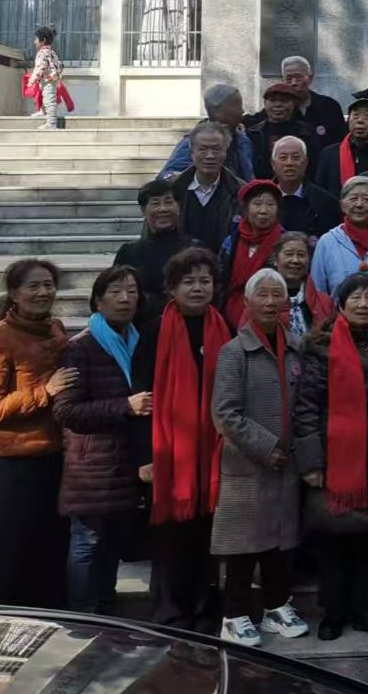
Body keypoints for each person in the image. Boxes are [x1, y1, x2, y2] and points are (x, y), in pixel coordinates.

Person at [293, 274, 368, 641]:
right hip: (334, 462)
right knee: (334, 540)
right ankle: (334, 611)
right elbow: (306, 407)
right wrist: (311, 462)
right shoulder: (320, 347)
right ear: (340, 305)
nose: (363, 303)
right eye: (354, 297)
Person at [0, 258, 75, 607]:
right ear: (14, 293)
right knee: (7, 555)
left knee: (48, 550)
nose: (43, 292)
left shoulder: (55, 328)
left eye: (49, 285)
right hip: (11, 463)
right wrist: (46, 391)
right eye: (33, 286)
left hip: (52, 454)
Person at [211, 268, 309, 647]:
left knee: (279, 542)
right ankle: (234, 616)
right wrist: (267, 448)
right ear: (248, 302)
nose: (270, 302)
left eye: (276, 295)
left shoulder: (297, 347)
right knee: (243, 545)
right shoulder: (234, 352)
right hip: (248, 464)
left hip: (287, 464)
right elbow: (225, 413)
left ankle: (276, 606)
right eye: (262, 295)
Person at [55, 266, 153, 614]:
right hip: (91, 466)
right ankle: (84, 614)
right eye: (115, 292)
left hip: (123, 462)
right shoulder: (80, 348)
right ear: (98, 301)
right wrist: (124, 406)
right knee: (88, 542)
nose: (125, 298)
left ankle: (105, 611)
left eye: (132, 291)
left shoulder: (139, 342)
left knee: (110, 542)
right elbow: (66, 411)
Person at [144, 247, 232, 631]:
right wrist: (145, 455)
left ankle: (205, 608)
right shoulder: (154, 331)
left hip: (214, 447)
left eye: (204, 281)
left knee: (208, 532)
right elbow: (141, 396)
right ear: (172, 288)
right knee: (172, 534)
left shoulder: (225, 327)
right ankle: (171, 610)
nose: (198, 288)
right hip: (169, 451)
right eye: (188, 282)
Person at [113, 179, 195, 326]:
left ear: (178, 206)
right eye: (155, 203)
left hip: (186, 326)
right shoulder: (129, 252)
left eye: (168, 202)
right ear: (143, 210)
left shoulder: (193, 250)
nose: (162, 209)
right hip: (141, 328)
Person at [219, 179, 284, 328]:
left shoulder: (284, 243)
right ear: (246, 208)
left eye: (270, 204)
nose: (263, 211)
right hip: (229, 318)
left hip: (271, 318)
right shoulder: (231, 241)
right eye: (257, 204)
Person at [172, 122, 244, 252]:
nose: (210, 155)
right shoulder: (173, 189)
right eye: (203, 149)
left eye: (216, 149)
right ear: (192, 153)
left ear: (226, 152)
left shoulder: (240, 191)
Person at [162, 84, 255, 182]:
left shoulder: (242, 139)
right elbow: (166, 176)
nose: (242, 111)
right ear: (216, 110)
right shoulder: (195, 140)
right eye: (236, 105)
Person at [311, 176, 368, 293]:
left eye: (366, 199)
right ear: (342, 205)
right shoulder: (327, 242)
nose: (359, 204)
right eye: (353, 199)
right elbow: (317, 290)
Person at [271, 134, 339, 243]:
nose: (289, 163)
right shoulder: (263, 201)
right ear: (273, 164)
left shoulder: (325, 202)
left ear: (305, 162)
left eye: (296, 157)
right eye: (283, 158)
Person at [248, 82, 319, 178]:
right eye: (272, 101)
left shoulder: (307, 133)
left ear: (294, 104)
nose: (278, 105)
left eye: (283, 101)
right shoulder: (253, 133)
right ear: (265, 104)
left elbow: (314, 166)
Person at [314, 97, 368, 197]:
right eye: (355, 115)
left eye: (367, 116)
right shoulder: (329, 154)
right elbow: (320, 192)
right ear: (348, 120)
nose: (360, 120)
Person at [272, 230, 335, 335]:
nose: (295, 260)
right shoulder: (263, 301)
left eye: (301, 255)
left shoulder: (325, 302)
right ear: (275, 258)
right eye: (289, 254)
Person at [280, 54, 345, 148]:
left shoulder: (329, 107)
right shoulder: (278, 110)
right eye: (288, 78)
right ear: (283, 81)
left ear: (310, 78)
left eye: (298, 77)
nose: (294, 83)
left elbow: (340, 143)